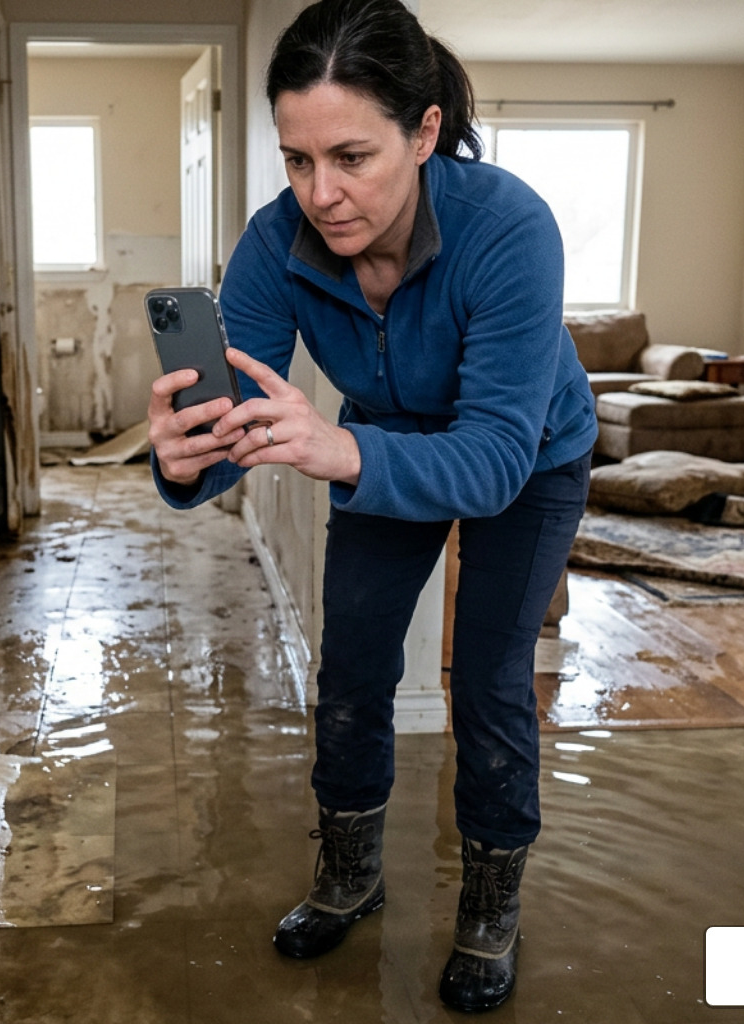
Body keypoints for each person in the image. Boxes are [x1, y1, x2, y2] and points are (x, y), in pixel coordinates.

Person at [146, 0, 597, 1012]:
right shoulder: (275, 245)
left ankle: (489, 904)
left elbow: (488, 463)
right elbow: (239, 419)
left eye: (352, 156)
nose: (323, 194)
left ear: (425, 131)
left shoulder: (510, 228)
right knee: (351, 659)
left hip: (529, 458)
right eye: (298, 160)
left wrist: (339, 447)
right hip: (383, 442)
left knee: (486, 675)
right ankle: (348, 872)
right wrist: (186, 459)